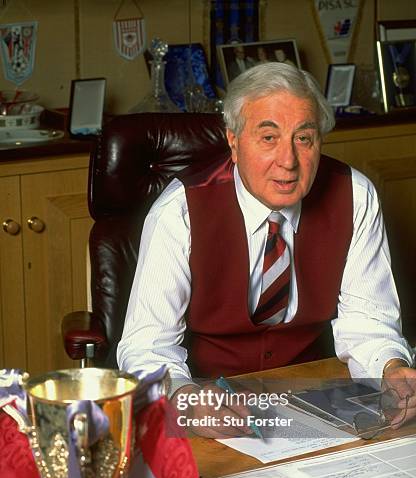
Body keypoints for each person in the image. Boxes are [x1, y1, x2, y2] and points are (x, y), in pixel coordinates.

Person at [118, 62, 415, 437]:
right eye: (268, 138)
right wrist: (190, 403)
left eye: (304, 139)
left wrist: (390, 369)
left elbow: (368, 322)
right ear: (233, 140)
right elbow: (147, 346)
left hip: (316, 396)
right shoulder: (178, 211)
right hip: (210, 396)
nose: (288, 161)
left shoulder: (355, 196)